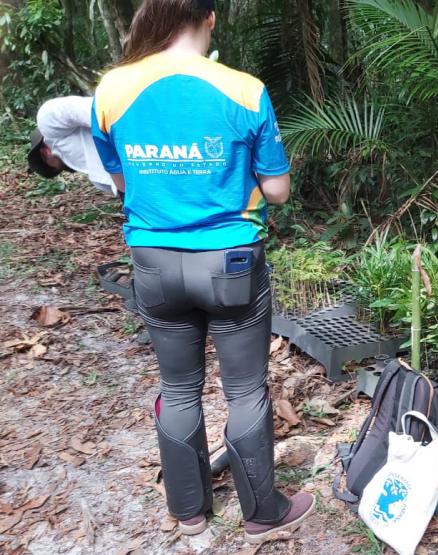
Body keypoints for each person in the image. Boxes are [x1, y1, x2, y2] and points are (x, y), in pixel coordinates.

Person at [91, 0, 311, 543]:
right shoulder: (242, 88)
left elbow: (121, 183)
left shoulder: (111, 90)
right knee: (244, 391)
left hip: (153, 262)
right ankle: (262, 514)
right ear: (209, 18)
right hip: (230, 262)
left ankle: (189, 511)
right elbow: (279, 190)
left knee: (178, 386)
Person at [27, 96, 116, 195]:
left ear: (45, 152)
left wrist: (120, 126)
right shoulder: (98, 179)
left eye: (54, 167)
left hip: (120, 119)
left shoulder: (47, 122)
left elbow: (92, 110)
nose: (62, 168)